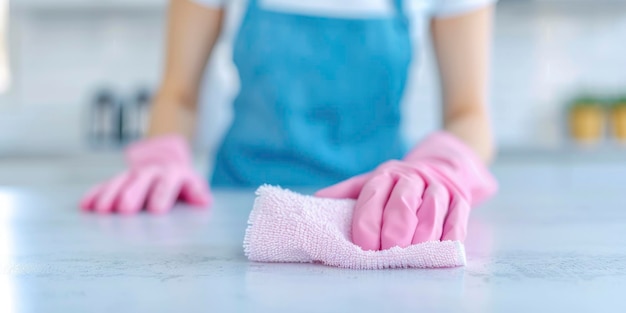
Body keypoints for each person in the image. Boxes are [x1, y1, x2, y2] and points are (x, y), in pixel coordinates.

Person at [80, 0, 499, 251]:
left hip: (376, 220)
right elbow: (179, 93)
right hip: (238, 214)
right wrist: (163, 157)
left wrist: (442, 167)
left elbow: (468, 113)